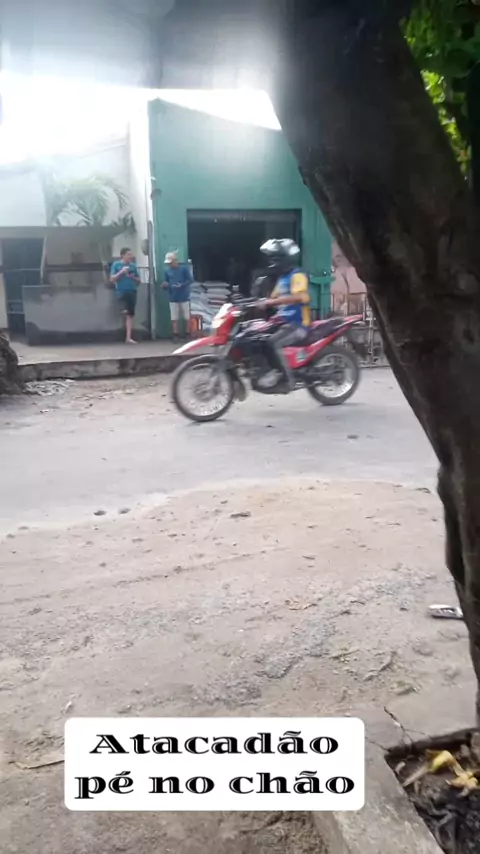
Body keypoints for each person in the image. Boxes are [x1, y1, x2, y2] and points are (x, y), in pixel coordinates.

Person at [258, 238, 312, 392]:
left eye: (275, 259)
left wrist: (270, 302)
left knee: (273, 343)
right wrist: (254, 302)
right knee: (258, 338)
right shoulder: (283, 278)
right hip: (284, 322)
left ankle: (288, 380)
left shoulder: (297, 275)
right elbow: (273, 299)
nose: (272, 263)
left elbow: (299, 297)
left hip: (298, 324)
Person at [109, 248, 141, 344]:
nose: (130, 256)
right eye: (128, 254)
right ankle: (123, 311)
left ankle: (128, 337)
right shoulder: (116, 265)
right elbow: (112, 279)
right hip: (121, 291)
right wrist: (121, 272)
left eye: (131, 254)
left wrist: (133, 277)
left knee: (130, 315)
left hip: (132, 291)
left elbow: (139, 281)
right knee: (124, 310)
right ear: (122, 255)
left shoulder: (133, 266)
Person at [163, 251, 194, 340]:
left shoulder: (184, 269)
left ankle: (187, 333)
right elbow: (166, 282)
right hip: (173, 296)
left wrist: (182, 285)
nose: (169, 265)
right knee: (174, 317)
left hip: (184, 296)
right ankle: (175, 334)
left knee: (186, 316)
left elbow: (190, 280)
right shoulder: (167, 271)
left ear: (175, 260)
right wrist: (165, 285)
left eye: (171, 262)